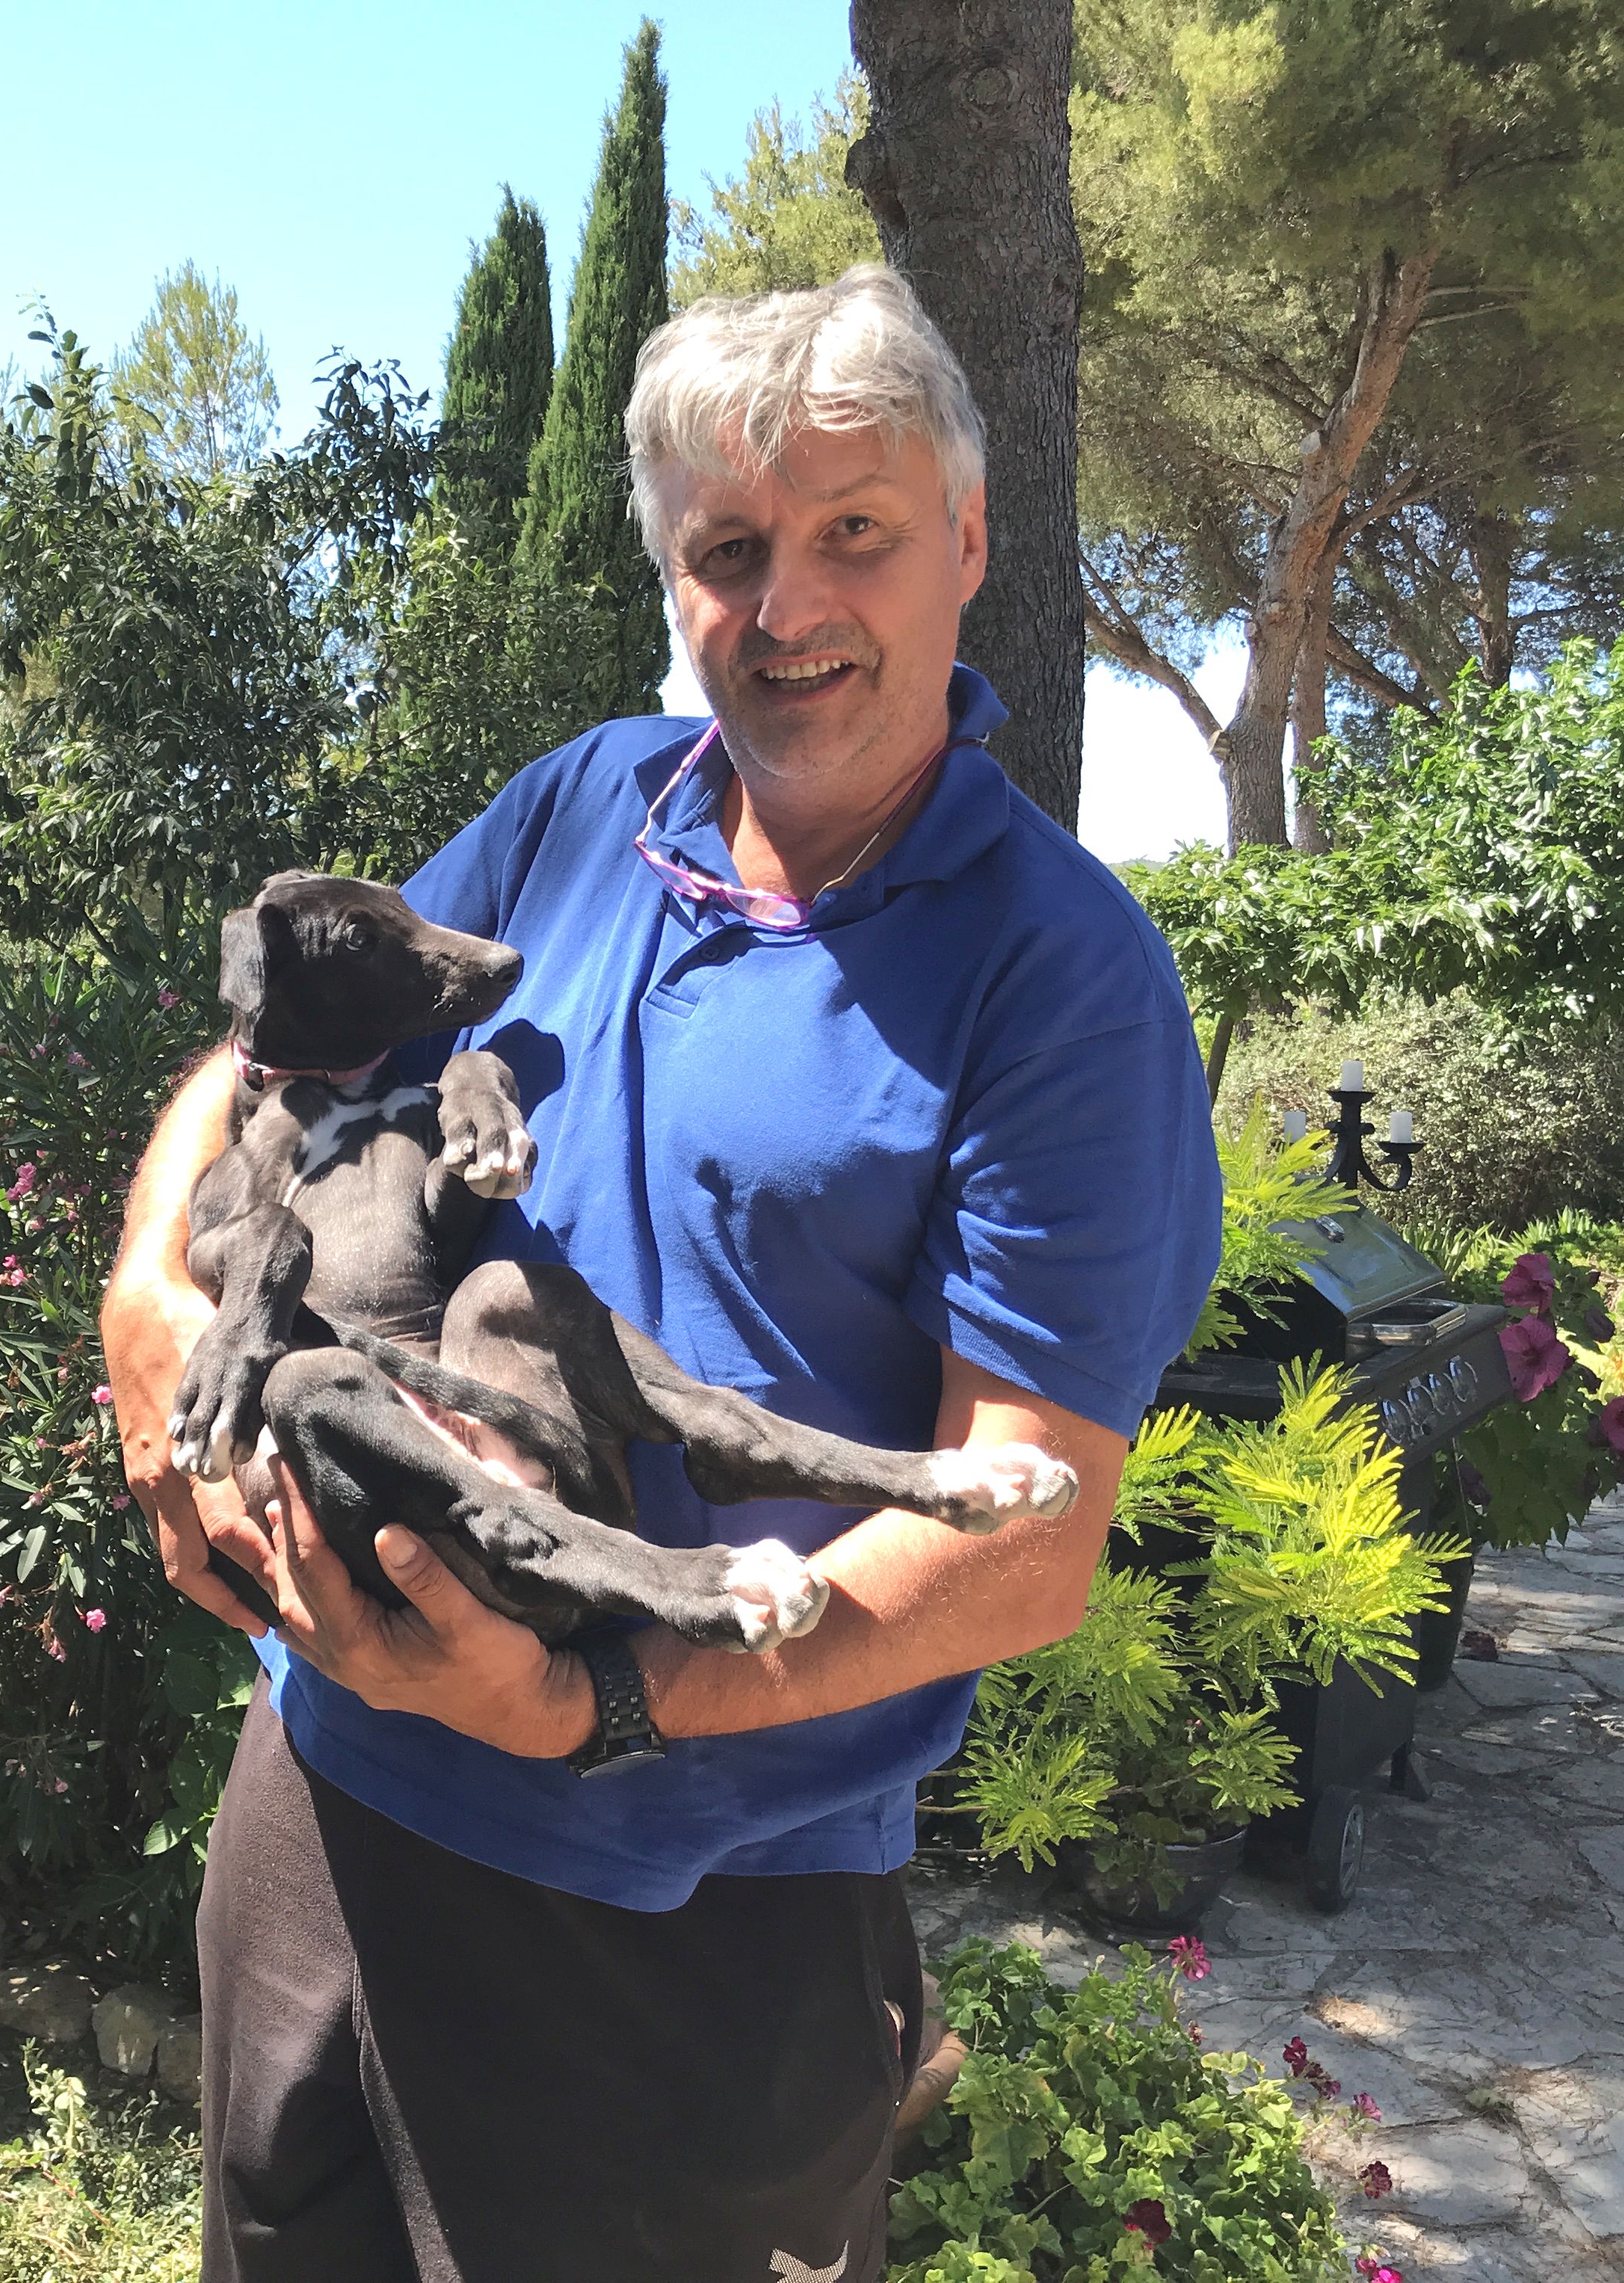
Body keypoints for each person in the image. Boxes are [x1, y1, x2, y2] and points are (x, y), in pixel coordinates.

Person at [100, 263, 1222, 2283]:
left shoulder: (1062, 981)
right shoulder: (582, 806)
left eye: (853, 532)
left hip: (688, 1910)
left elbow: (1027, 1537)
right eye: (728, 552)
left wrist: (595, 1701)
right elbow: (280, 1044)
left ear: (970, 538)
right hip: (324, 1795)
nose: (786, 605)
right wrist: (146, 1315)